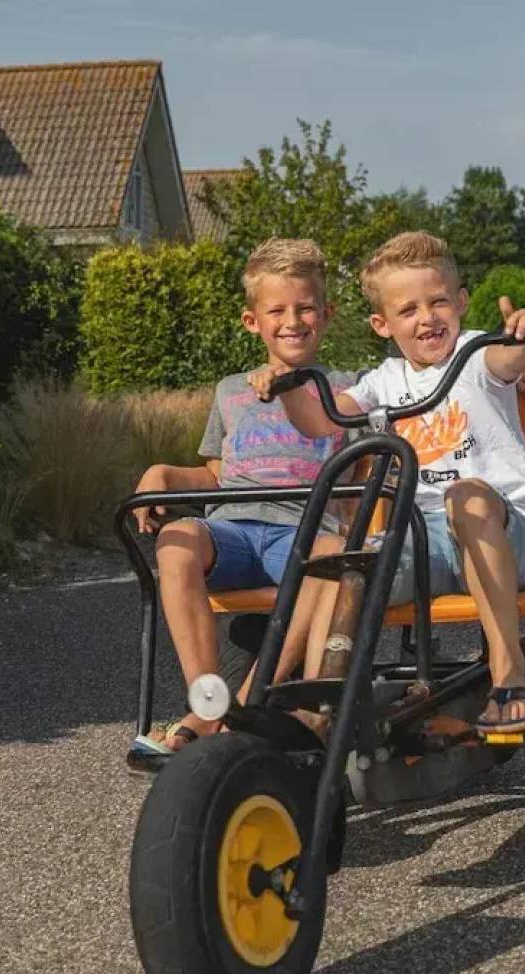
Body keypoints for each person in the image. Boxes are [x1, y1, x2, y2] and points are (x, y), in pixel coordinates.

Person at [253, 231, 525, 735]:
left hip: (503, 528)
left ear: (461, 302)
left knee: (467, 495)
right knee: (348, 568)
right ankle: (312, 709)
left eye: (439, 302)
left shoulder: (476, 354)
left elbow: (511, 359)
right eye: (409, 309)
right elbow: (320, 421)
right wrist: (284, 384)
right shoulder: (383, 382)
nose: (427, 318)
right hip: (427, 538)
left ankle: (509, 675)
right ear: (382, 323)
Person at [126, 238, 357, 766]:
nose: (292, 320)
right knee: (177, 536)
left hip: (302, 531)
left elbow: (416, 392)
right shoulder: (230, 390)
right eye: (276, 310)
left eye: (304, 308)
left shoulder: (349, 387)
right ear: (253, 321)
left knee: (329, 558)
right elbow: (216, 472)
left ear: (327, 314)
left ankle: (248, 704)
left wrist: (511, 375)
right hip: (233, 528)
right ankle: (207, 701)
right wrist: (160, 472)